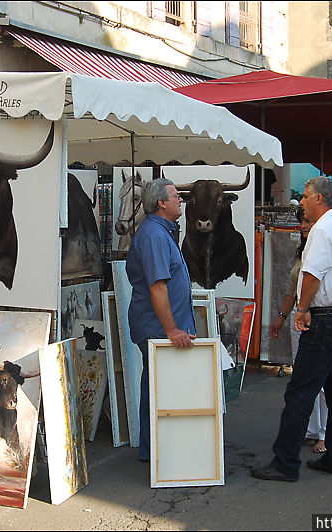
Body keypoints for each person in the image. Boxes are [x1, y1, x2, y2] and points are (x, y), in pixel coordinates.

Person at [251, 177, 332, 482]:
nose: (301, 201)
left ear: (320, 200)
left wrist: (301, 310)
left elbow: (311, 276)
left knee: (300, 392)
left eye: (306, 196)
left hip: (325, 319)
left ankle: (285, 462)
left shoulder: (324, 231)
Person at [126, 178, 196, 463]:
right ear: (161, 203)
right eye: (176, 196)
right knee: (159, 389)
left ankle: (155, 450)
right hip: (159, 330)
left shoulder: (162, 232)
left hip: (162, 329)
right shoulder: (155, 235)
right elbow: (157, 286)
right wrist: (171, 330)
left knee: (158, 387)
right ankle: (156, 452)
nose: (181, 200)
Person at [269, 211, 327, 455]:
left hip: (318, 317)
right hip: (299, 318)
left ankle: (324, 432)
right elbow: (292, 290)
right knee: (302, 375)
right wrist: (281, 318)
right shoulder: (303, 250)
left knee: (322, 380)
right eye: (303, 221)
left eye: (309, 221)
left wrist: (304, 311)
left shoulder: (324, 247)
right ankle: (311, 428)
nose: (304, 226)